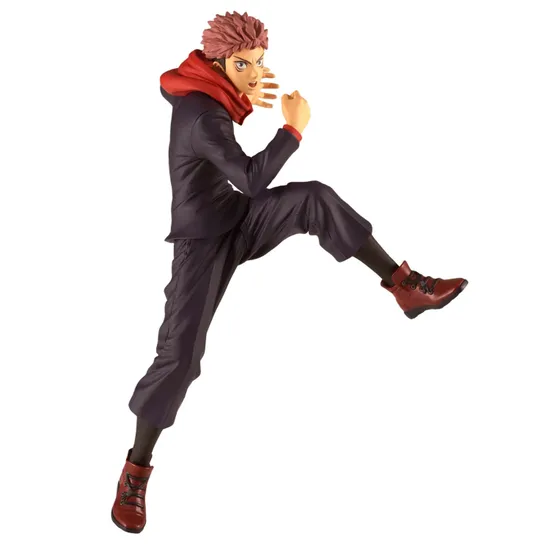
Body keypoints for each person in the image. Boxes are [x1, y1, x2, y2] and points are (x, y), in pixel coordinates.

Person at [111, 11, 468, 534]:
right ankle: (134, 471)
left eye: (259, 61)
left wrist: (240, 96)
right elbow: (251, 178)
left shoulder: (204, 91)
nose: (256, 72)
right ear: (217, 63)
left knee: (314, 198)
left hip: (235, 217)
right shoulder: (201, 115)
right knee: (179, 357)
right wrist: (292, 129)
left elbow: (211, 135)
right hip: (201, 243)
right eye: (244, 65)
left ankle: (405, 287)